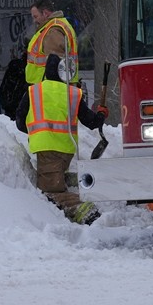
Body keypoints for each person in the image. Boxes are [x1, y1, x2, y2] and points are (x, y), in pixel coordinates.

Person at [15, 53, 107, 224]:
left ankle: (83, 210)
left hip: (47, 150)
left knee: (51, 190)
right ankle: (67, 182)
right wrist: (101, 114)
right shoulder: (73, 94)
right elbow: (91, 122)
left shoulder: (34, 91)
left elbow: (20, 122)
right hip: (66, 150)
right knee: (54, 179)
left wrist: (38, 132)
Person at [24, 0, 79, 86]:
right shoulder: (55, 26)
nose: (34, 21)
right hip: (51, 86)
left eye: (36, 16)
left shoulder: (53, 30)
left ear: (45, 13)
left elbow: (55, 64)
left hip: (50, 87)